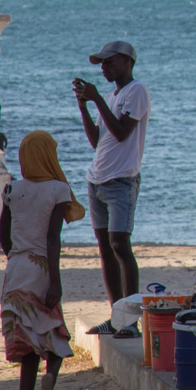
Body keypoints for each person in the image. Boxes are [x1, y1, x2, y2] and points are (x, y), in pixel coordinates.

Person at [0, 131, 84, 390]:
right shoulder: (58, 190)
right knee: (55, 333)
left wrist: (16, 259)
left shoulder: (11, 189)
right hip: (40, 268)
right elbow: (52, 238)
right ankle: (50, 377)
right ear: (49, 155)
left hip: (16, 269)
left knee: (26, 342)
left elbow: (4, 235)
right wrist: (55, 281)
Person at [74, 40, 149, 335]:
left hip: (121, 180)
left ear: (127, 62)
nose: (104, 68)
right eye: (101, 64)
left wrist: (96, 100)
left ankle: (130, 319)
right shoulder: (110, 96)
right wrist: (84, 106)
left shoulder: (137, 91)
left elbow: (121, 133)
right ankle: (116, 316)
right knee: (106, 249)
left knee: (120, 244)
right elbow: (97, 140)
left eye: (109, 62)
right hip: (97, 180)